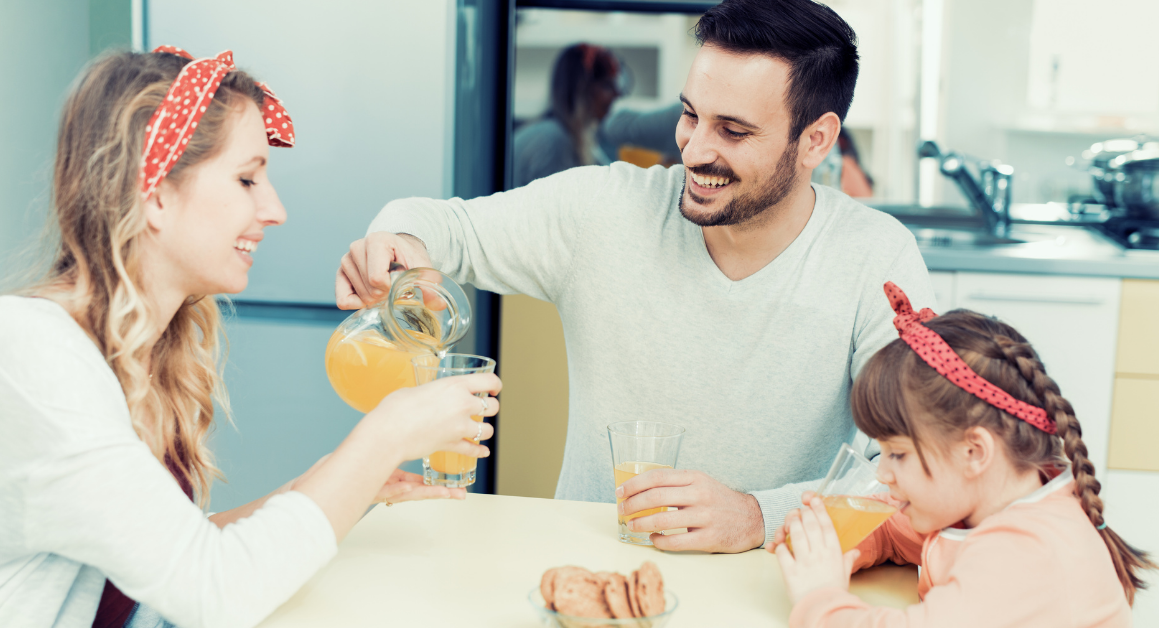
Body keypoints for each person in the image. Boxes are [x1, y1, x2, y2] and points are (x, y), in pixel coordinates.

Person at [336, 0, 935, 554]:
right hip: (582, 571)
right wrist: (398, 243)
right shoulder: (604, 209)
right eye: (690, 115)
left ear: (816, 141)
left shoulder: (876, 257)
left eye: (733, 131)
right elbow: (445, 227)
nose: (694, 150)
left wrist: (758, 516)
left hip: (780, 580)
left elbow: (907, 460)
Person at [0, 47, 499, 628]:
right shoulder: (27, 351)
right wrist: (386, 433)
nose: (275, 209)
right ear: (156, 193)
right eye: (247, 178)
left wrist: (333, 482)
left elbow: (176, 559)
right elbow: (215, 592)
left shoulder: (144, 349)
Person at [772, 283, 1154, 627]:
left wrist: (819, 596)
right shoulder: (986, 506)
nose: (884, 472)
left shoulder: (1025, 553)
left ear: (973, 452)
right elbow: (898, 534)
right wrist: (834, 543)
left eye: (898, 454)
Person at [513, 43, 624, 187]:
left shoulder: (574, 141)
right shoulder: (552, 141)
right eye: (607, 85)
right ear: (582, 90)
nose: (617, 94)